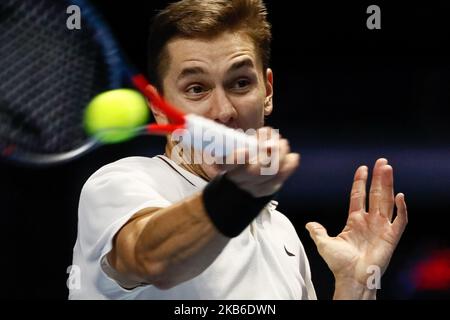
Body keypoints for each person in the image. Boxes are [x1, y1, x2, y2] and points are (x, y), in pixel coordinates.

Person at [69, 0, 408, 300]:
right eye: (197, 88)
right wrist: (239, 193)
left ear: (268, 91)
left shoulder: (281, 233)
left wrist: (355, 286)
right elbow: (150, 260)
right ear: (158, 108)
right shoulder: (120, 184)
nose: (224, 111)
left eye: (241, 83)